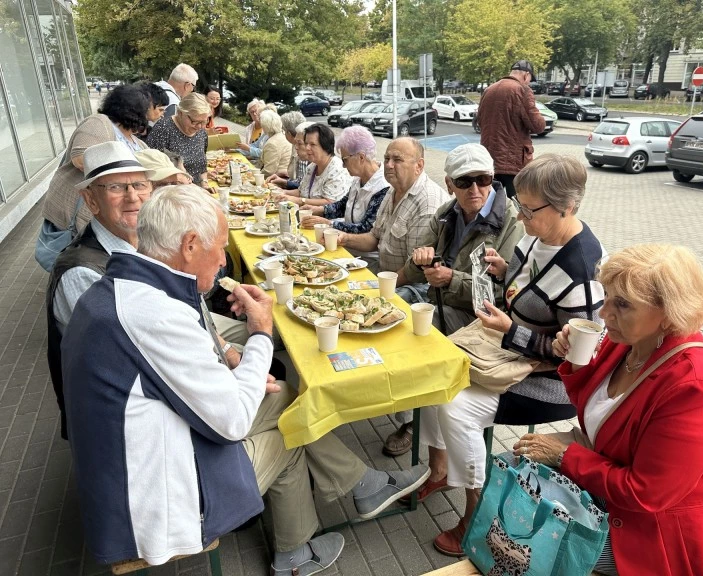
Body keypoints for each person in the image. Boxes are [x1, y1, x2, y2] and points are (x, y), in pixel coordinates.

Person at [60, 185, 429, 572]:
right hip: (150, 501)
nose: (223, 261)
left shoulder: (130, 284)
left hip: (140, 449)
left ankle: (362, 486)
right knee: (290, 435)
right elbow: (231, 421)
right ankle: (295, 552)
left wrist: (241, 361)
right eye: (219, 247)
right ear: (189, 245)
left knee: (284, 398)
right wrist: (259, 335)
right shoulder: (154, 314)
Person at [418, 154, 607, 557]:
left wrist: (511, 330)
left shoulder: (582, 270)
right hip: (509, 351)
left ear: (567, 207)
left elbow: (574, 358)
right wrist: (504, 269)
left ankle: (475, 516)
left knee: (457, 407)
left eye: (528, 208)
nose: (519, 217)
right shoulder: (538, 235)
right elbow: (527, 284)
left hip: (549, 381)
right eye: (518, 203)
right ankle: (441, 470)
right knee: (434, 372)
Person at [516, 244, 703, 576]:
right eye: (606, 297)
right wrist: (574, 361)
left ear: (668, 311)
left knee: (531, 540)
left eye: (621, 304)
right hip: (613, 496)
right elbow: (600, 417)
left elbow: (644, 493)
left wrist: (564, 456)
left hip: (654, 535)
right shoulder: (629, 342)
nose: (604, 313)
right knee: (517, 479)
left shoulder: (696, 388)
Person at [333, 137, 450, 456]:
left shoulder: (428, 202)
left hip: (417, 288)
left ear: (419, 165)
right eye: (386, 158)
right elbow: (375, 238)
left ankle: (411, 419)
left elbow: (414, 268)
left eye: (397, 159)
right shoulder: (393, 192)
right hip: (389, 277)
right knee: (341, 299)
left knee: (363, 312)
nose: (388, 165)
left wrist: (375, 291)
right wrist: (340, 237)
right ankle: (361, 388)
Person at [45, 142, 152, 440]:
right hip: (122, 420)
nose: (133, 197)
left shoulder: (135, 240)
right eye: (116, 187)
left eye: (140, 184)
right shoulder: (82, 271)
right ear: (90, 200)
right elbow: (127, 359)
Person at [401, 143, 523, 334]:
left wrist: (451, 279)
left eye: (482, 179)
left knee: (409, 326)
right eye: (464, 182)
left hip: (479, 317)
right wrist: (419, 261)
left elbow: (503, 293)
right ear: (449, 185)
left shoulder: (511, 221)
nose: (474, 189)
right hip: (437, 300)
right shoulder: (445, 213)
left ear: (492, 179)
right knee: (391, 308)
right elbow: (413, 271)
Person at [41, 84, 150, 237]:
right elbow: (80, 159)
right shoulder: (100, 123)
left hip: (116, 219)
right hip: (78, 217)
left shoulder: (138, 143)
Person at [300, 125, 389, 235]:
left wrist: (329, 224)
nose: (343, 165)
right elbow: (343, 204)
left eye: (345, 160)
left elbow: (367, 228)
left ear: (361, 157)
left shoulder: (383, 187)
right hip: (347, 243)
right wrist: (319, 210)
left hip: (359, 250)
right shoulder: (358, 178)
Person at [476, 60, 545, 198]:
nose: (529, 83)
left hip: (489, 162)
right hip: (514, 164)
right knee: (518, 207)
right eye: (530, 80)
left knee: (491, 205)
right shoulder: (522, 90)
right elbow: (538, 126)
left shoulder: (489, 90)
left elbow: (479, 121)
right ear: (526, 75)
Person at [275, 124, 351, 207]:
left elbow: (330, 202)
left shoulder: (337, 170)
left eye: (312, 144)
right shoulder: (312, 166)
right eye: (306, 143)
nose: (307, 148)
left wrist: (298, 200)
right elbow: (302, 191)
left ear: (325, 146)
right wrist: (283, 193)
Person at [147, 93, 210, 187]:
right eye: (195, 121)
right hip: (173, 192)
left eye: (204, 121)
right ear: (180, 113)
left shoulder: (201, 132)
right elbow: (151, 169)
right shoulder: (163, 128)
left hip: (197, 190)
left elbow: (201, 166)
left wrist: (204, 183)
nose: (200, 126)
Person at [267, 119, 311, 190]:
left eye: (299, 143)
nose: (296, 147)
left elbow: (303, 190)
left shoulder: (307, 159)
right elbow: (301, 183)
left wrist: (286, 192)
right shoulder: (311, 164)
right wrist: (284, 182)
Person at [258, 110, 293, 176]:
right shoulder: (283, 135)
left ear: (265, 126)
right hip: (286, 175)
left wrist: (254, 177)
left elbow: (269, 171)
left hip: (278, 179)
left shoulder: (272, 143)